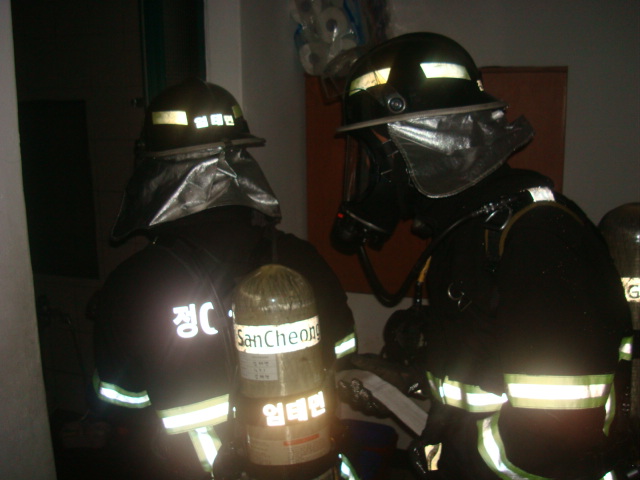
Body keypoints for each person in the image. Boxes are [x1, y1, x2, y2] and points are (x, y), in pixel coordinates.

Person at [332, 32, 634, 479]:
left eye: (374, 155)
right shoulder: (469, 229)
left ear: (418, 145)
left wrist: (457, 463)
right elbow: (488, 372)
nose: (371, 175)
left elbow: (553, 447)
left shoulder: (537, 238)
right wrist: (413, 382)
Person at [91, 78, 357, 479]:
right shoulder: (302, 260)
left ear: (152, 170)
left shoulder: (132, 286)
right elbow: (344, 351)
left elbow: (121, 403)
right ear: (241, 163)